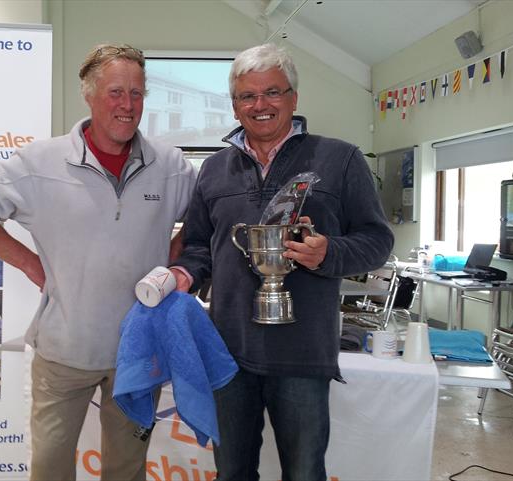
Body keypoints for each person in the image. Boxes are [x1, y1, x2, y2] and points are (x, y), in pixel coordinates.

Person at [0, 43, 196, 481]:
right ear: (88, 93)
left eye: (137, 94)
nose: (127, 105)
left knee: (126, 469)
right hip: (65, 350)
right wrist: (28, 262)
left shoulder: (171, 165)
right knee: (50, 469)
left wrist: (171, 266)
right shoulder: (39, 162)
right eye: (116, 92)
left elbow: (203, 222)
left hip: (139, 351)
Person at [169, 44, 393, 481]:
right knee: (232, 472)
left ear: (294, 97)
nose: (260, 105)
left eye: (272, 92)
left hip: (304, 353)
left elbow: (377, 240)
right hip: (228, 351)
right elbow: (198, 246)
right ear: (234, 105)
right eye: (247, 96)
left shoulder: (340, 158)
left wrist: (329, 252)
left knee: (305, 472)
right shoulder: (214, 169)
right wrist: (183, 274)